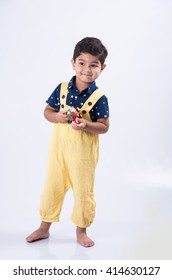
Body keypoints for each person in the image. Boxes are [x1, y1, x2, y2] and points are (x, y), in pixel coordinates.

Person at [26, 37, 110, 247]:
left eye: (94, 65)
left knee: (83, 192)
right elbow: (47, 111)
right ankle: (44, 227)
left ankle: (81, 231)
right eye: (81, 63)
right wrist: (56, 117)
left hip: (83, 156)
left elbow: (104, 126)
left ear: (102, 67)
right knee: (51, 188)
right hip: (59, 152)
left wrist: (86, 126)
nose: (87, 70)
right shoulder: (62, 88)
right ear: (73, 63)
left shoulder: (99, 97)